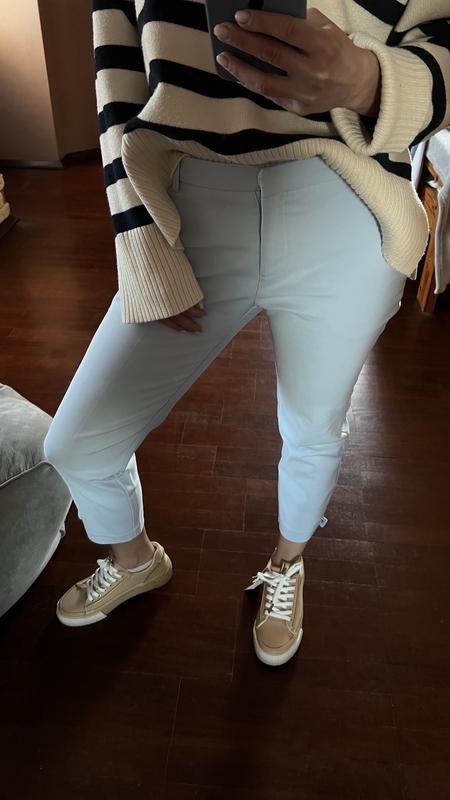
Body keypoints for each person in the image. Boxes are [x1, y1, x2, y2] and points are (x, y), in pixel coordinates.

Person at [43, 0, 450, 667]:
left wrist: (370, 81)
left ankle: (287, 564)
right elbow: (116, 82)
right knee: (78, 442)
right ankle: (135, 559)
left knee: (313, 429)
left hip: (346, 203)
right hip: (190, 202)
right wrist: (140, 241)